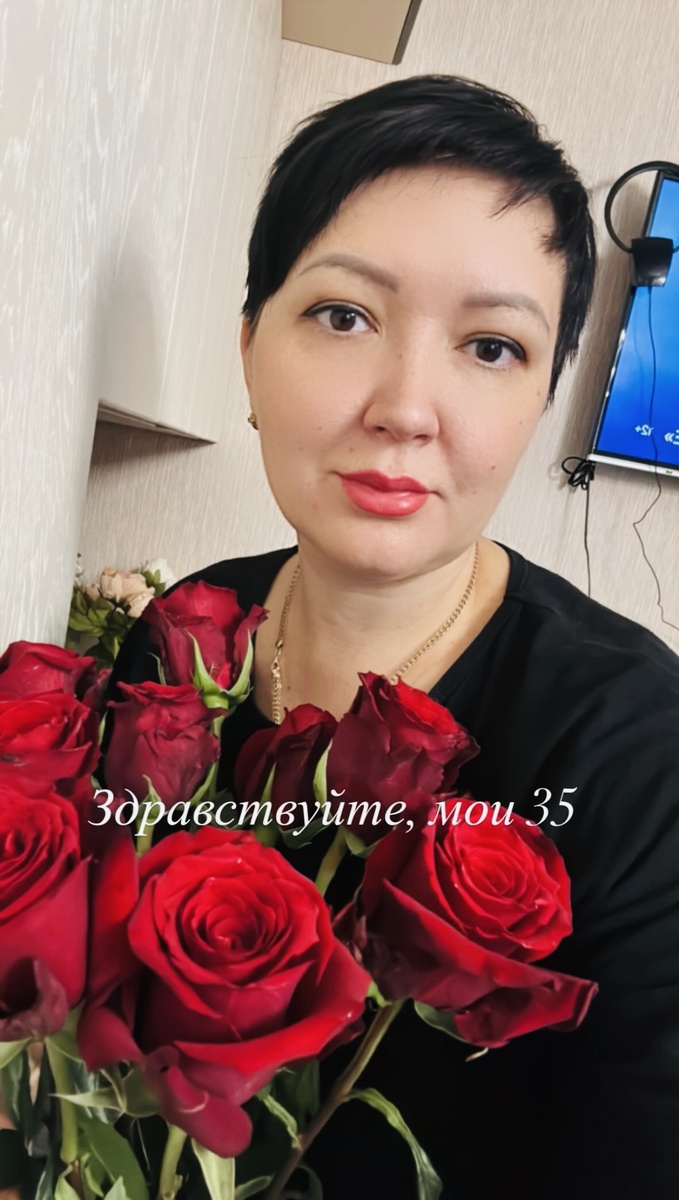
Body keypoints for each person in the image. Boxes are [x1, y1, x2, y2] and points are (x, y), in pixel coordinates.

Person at [105, 75, 679, 1199]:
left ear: (541, 398)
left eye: (491, 347)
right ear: (249, 348)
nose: (406, 408)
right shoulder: (189, 635)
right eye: (343, 316)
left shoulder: (635, 749)